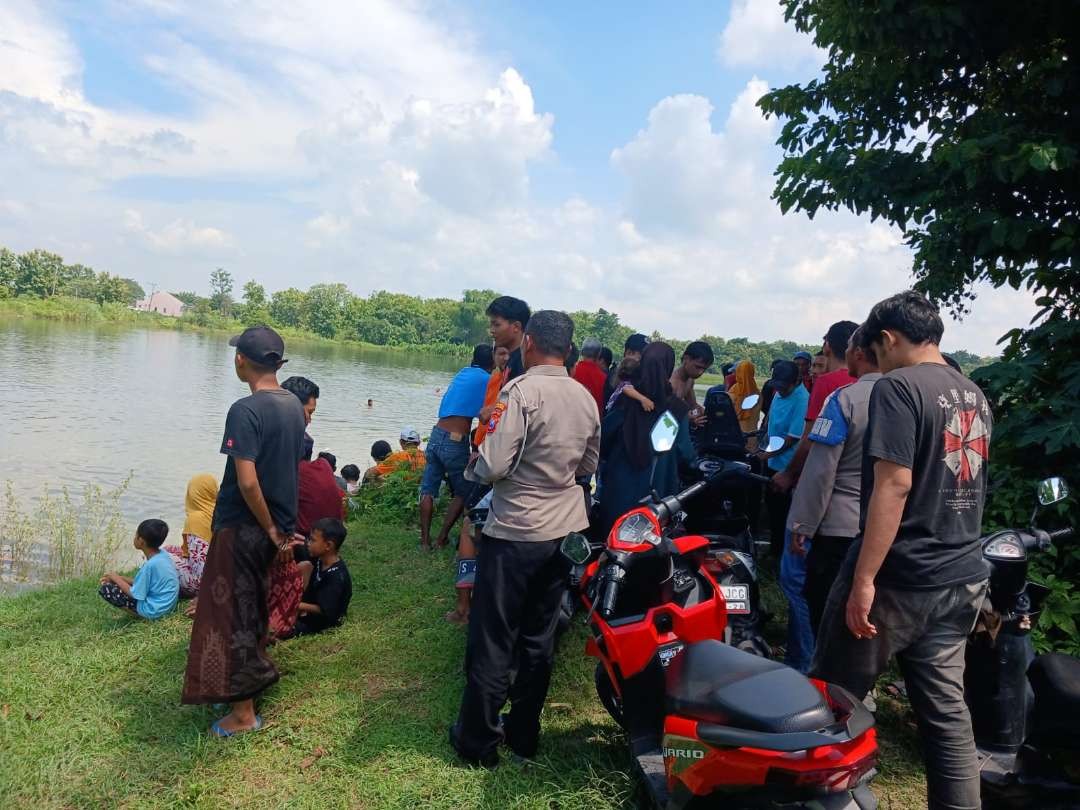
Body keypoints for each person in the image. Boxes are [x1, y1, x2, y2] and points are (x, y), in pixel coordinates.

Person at [811, 292, 992, 810]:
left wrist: (864, 579)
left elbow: (894, 486)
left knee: (832, 697)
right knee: (946, 714)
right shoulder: (972, 392)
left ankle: (826, 798)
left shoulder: (899, 387)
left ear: (886, 340)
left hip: (900, 575)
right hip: (960, 573)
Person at [450, 310, 600, 767]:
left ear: (529, 342)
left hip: (516, 528)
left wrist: (475, 467)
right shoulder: (585, 398)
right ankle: (522, 737)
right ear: (569, 349)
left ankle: (478, 742)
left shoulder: (521, 392)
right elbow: (589, 466)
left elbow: (493, 463)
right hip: (564, 530)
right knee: (539, 638)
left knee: (494, 636)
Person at [182, 325, 306, 737]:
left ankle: (243, 712)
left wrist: (270, 527)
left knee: (229, 615)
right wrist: (282, 529)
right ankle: (241, 689)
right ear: (278, 363)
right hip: (274, 530)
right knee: (251, 607)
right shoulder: (292, 404)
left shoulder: (245, 410)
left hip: (245, 527)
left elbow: (249, 482)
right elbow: (288, 471)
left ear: (240, 361)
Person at [788, 326, 881, 637]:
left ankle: (821, 679)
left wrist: (802, 524)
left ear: (858, 354)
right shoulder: (909, 398)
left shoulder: (844, 399)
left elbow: (820, 471)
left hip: (839, 527)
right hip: (886, 530)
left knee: (825, 611)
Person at [599, 342, 696, 539]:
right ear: (668, 368)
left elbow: (603, 438)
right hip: (656, 493)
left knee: (613, 545)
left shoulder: (626, 399)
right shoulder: (677, 409)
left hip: (618, 489)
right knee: (648, 548)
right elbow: (685, 452)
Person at [419, 344, 495, 550]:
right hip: (454, 440)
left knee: (428, 490)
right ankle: (442, 538)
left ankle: (424, 541)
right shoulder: (487, 380)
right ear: (493, 361)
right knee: (465, 491)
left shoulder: (463, 372)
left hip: (436, 435)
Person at [771, 321, 860, 495]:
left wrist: (788, 474)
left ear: (827, 346)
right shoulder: (861, 380)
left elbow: (811, 437)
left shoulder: (825, 382)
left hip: (821, 473)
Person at [757, 361, 809, 559]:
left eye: (782, 385)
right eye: (776, 385)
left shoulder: (802, 400)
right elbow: (771, 418)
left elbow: (792, 438)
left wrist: (767, 454)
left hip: (787, 466)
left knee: (783, 514)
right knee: (771, 508)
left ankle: (780, 556)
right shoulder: (779, 391)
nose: (778, 389)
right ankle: (773, 551)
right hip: (771, 460)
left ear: (795, 381)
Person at [99, 518, 179, 619]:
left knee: (107, 588)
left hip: (155, 611)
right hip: (167, 606)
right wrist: (120, 578)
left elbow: (134, 594)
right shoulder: (163, 555)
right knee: (117, 582)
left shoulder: (150, 566)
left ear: (141, 541)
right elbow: (143, 584)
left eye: (136, 535)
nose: (134, 537)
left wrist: (114, 577)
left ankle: (139, 616)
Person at [290, 518, 352, 637]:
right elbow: (302, 550)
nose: (308, 543)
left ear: (328, 545)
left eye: (312, 540)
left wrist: (296, 605)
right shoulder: (321, 559)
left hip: (322, 622)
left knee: (278, 630)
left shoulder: (336, 576)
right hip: (309, 613)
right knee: (305, 565)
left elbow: (324, 610)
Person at [164, 473, 218, 598]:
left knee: (155, 557)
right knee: (167, 550)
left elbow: (199, 565)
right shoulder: (218, 511)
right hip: (222, 574)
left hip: (204, 583)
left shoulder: (196, 519)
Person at [486, 295, 531, 382]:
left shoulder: (524, 365)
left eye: (497, 325)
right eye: (491, 325)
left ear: (516, 327)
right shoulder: (512, 361)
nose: (491, 330)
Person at [671, 341, 714, 428]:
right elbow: (664, 413)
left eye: (704, 369)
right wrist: (687, 419)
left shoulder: (690, 380)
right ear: (686, 359)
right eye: (698, 367)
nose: (700, 372)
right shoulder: (671, 382)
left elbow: (692, 405)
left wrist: (703, 412)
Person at [727, 359, 761, 447]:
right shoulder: (758, 393)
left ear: (738, 372)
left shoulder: (734, 390)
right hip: (751, 438)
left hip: (734, 436)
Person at [572, 337, 609, 414]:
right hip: (593, 421)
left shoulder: (572, 371)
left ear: (581, 352)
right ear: (598, 354)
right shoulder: (604, 378)